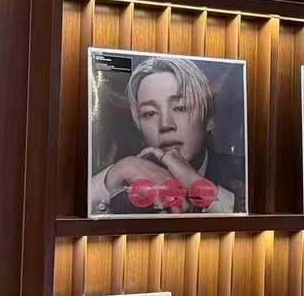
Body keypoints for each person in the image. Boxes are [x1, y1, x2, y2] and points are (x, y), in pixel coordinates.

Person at [90, 56, 243, 214]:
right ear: (139, 125)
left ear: (209, 119)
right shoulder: (128, 182)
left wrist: (201, 189)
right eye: (150, 113)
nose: (165, 125)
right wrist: (115, 174)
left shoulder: (243, 172)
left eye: (180, 108)